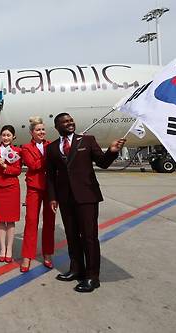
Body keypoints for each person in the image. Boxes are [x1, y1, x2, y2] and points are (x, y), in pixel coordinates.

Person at [46, 113, 125, 293]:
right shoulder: (51, 148)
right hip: (66, 199)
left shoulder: (87, 140)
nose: (70, 123)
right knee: (72, 236)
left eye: (71, 120)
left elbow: (103, 163)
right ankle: (76, 269)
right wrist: (52, 197)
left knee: (89, 237)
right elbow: (50, 176)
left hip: (87, 197)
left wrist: (112, 151)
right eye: (65, 122)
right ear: (57, 126)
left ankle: (92, 276)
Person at [19, 116, 56, 272]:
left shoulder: (51, 145)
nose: (41, 132)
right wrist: (49, 156)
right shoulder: (26, 147)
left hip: (51, 188)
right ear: (32, 132)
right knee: (31, 221)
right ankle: (27, 256)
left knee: (49, 222)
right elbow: (33, 165)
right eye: (38, 130)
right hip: (34, 187)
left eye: (43, 129)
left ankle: (47, 254)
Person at [0, 125, 22, 263]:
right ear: (0, 136)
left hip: (11, 187)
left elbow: (17, 170)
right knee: (0, 220)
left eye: (8, 135)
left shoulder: (17, 151)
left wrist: (5, 166)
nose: (6, 137)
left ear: (13, 137)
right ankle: (2, 249)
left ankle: (10, 249)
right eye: (4, 135)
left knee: (11, 220)